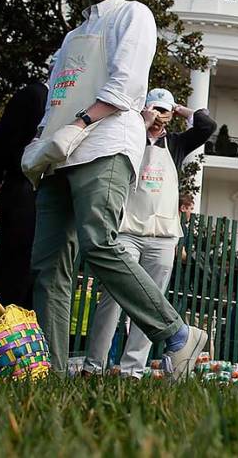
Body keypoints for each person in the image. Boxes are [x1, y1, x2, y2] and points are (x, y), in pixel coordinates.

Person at [27, 0, 208, 376]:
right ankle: (52, 373)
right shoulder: (71, 38)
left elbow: (125, 84)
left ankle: (176, 334)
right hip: (59, 154)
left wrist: (79, 125)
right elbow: (58, 95)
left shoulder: (134, 14)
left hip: (104, 143)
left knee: (99, 242)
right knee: (48, 265)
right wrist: (41, 139)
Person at [83, 88, 215, 376]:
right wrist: (142, 122)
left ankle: (132, 369)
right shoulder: (131, 136)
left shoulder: (177, 143)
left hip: (163, 235)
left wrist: (178, 109)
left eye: (162, 111)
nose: (157, 116)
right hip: (127, 230)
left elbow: (207, 126)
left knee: (151, 302)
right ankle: (93, 365)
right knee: (112, 297)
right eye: (154, 109)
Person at [0, 80, 47, 315]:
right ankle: (0, 325)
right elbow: (3, 142)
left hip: (26, 188)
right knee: (16, 267)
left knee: (16, 267)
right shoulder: (38, 96)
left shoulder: (36, 96)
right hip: (28, 189)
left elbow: (1, 143)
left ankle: (2, 324)